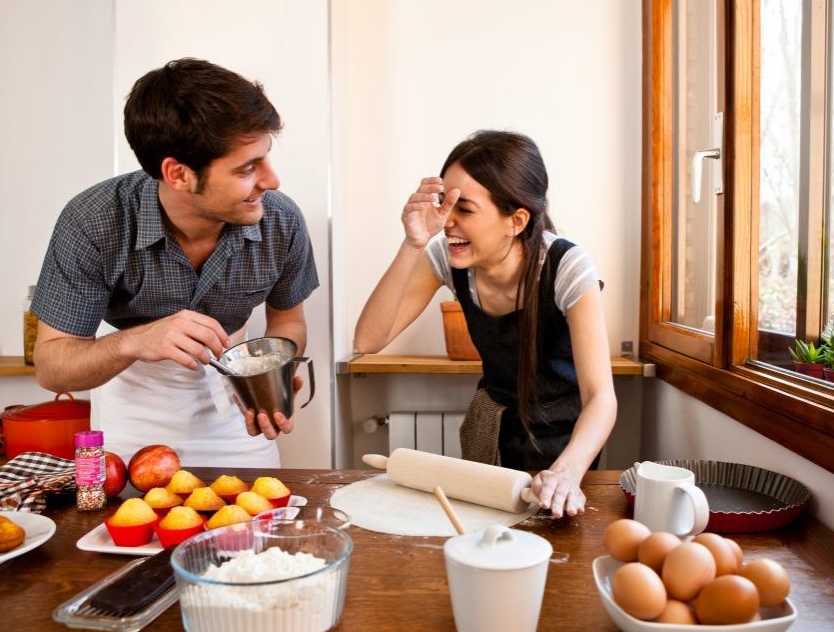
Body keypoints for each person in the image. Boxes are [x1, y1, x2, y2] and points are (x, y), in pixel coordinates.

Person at [31, 58, 319, 467]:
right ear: (178, 175)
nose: (272, 181)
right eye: (247, 168)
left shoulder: (280, 219)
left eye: (266, 157)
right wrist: (134, 340)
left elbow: (288, 321)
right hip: (132, 424)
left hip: (240, 421)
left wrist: (270, 371)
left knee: (251, 528)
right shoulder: (93, 221)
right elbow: (51, 368)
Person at [354, 130, 617, 517]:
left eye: (466, 209)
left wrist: (566, 472)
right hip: (490, 425)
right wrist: (413, 243)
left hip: (568, 441)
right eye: (445, 203)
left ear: (516, 220)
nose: (447, 222)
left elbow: (601, 397)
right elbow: (368, 339)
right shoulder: (446, 257)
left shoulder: (567, 267)